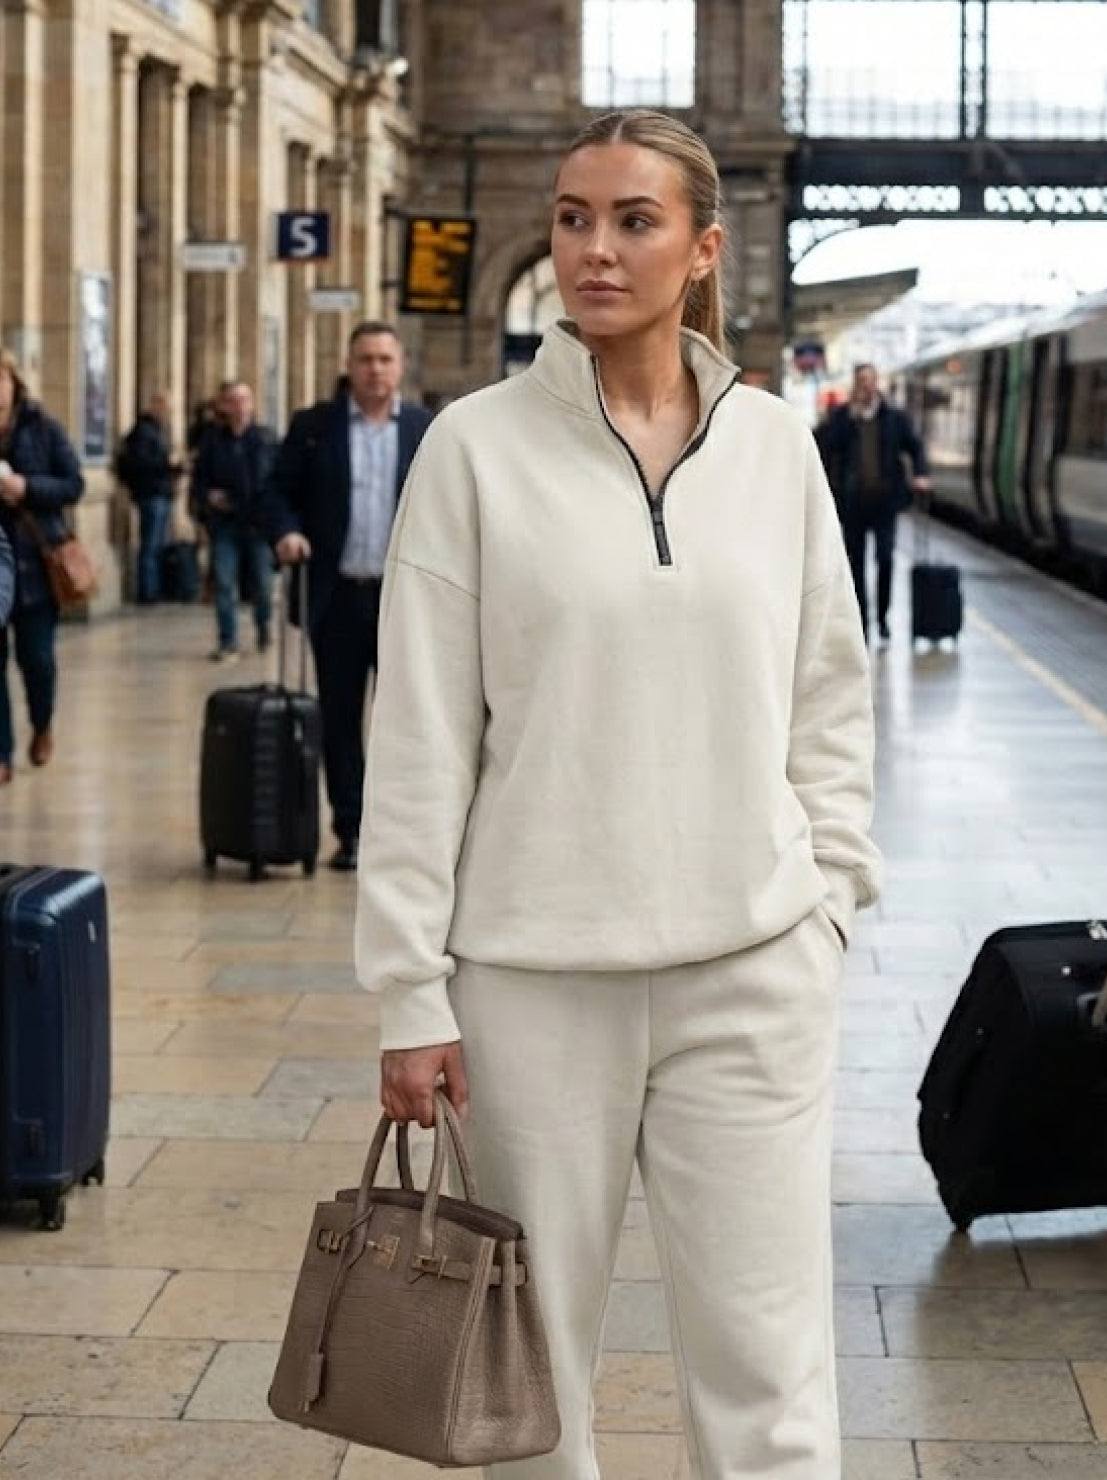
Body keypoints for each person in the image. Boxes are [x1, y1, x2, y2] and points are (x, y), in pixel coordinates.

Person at [354, 110, 882, 1479]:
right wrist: (410, 990)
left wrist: (826, 901)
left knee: (770, 1373)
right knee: (528, 1382)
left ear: (702, 249)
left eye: (632, 220)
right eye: (574, 216)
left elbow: (829, 696)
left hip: (752, 975)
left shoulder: (777, 450)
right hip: (531, 985)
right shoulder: (472, 449)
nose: (593, 248)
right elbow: (414, 734)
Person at [262, 322, 433, 872]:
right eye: (365, 359)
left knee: (405, 718)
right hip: (335, 598)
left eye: (385, 359)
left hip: (404, 600)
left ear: (400, 366)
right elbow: (276, 493)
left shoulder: (427, 430)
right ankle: (351, 827)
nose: (376, 370)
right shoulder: (315, 427)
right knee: (337, 717)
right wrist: (286, 531)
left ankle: (402, 829)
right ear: (350, 365)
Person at [0, 347, 85, 785]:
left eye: (0, 380)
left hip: (35, 565)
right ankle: (1, 753)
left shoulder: (42, 429)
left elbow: (73, 484)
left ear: (14, 385)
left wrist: (26, 487)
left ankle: (42, 722)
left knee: (37, 661)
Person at [819, 362, 930, 645]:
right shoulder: (843, 417)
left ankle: (883, 619)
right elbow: (825, 445)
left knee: (885, 560)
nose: (865, 386)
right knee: (855, 567)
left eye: (869, 381)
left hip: (885, 504)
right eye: (861, 381)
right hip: (852, 504)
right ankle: (862, 624)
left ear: (876, 383)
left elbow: (915, 446)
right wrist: (849, 417)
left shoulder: (894, 418)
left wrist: (921, 474)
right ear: (855, 385)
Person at [191, 380, 276, 662]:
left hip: (257, 524)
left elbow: (274, 481)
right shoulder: (213, 441)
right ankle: (228, 640)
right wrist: (208, 498)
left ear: (252, 404)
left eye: (244, 400)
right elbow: (199, 480)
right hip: (225, 524)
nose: (239, 406)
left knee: (262, 585)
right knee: (225, 583)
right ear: (225, 405)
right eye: (233, 400)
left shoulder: (265, 439)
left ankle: (263, 625)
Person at [116, 391, 184, 604]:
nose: (167, 413)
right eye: (164, 407)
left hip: (160, 492)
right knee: (150, 544)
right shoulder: (144, 432)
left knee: (156, 543)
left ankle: (153, 588)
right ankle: (148, 591)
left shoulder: (157, 430)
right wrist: (168, 464)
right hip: (151, 493)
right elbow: (143, 463)